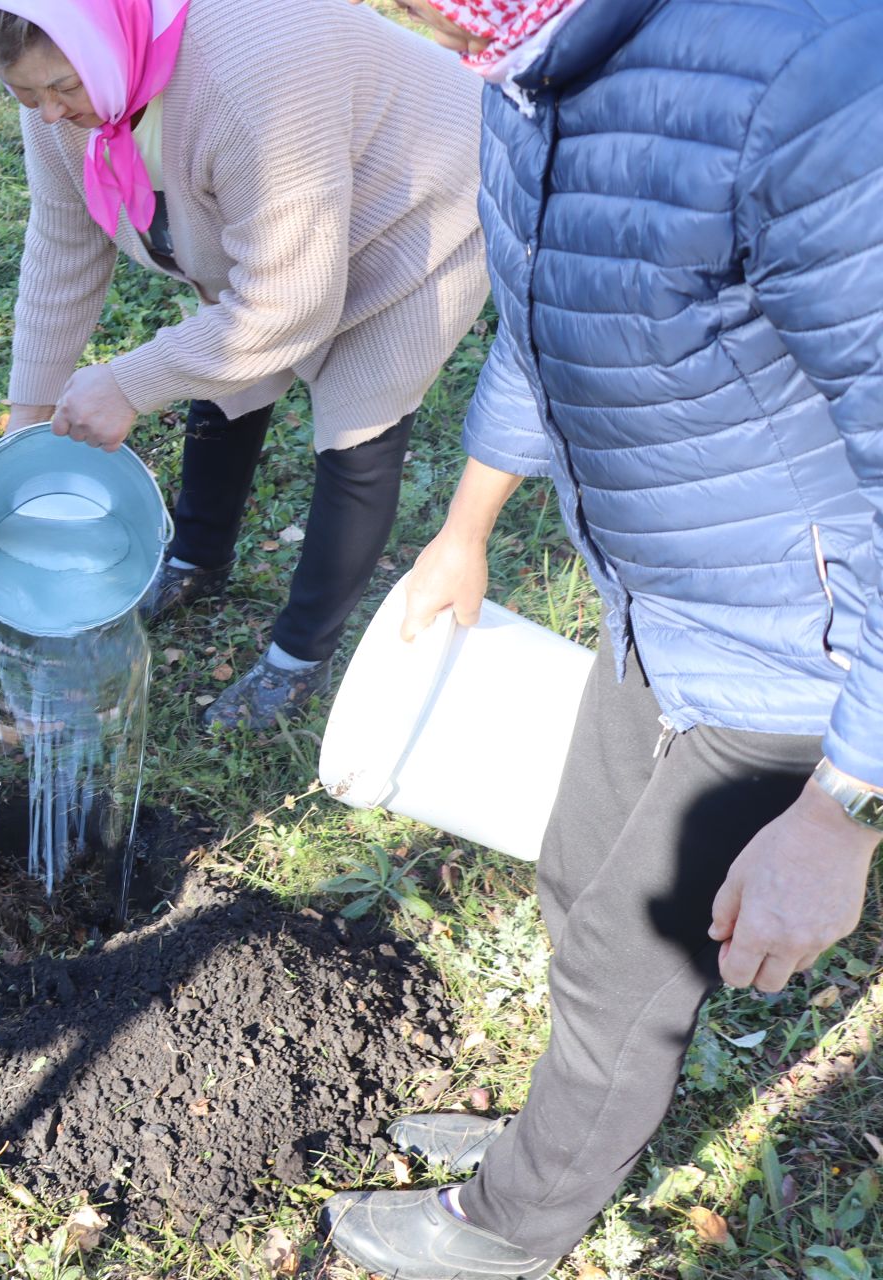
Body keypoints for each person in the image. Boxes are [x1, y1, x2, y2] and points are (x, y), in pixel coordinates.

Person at [321, 0, 883, 1276]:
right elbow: (541, 329)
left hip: (809, 648)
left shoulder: (811, 78)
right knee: (578, 878)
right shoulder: (521, 68)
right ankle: (552, 1130)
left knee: (625, 960)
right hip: (660, 603)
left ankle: (515, 1224)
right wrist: (467, 525)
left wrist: (842, 804)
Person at [0, 0, 489, 730]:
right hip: (291, 206)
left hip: (418, 193)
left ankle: (296, 660)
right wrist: (23, 428)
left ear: (107, 41)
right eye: (26, 95)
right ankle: (197, 560)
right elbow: (63, 248)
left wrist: (128, 382)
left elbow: (290, 304)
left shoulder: (246, 81)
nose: (50, 113)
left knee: (360, 419)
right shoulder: (64, 79)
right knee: (225, 367)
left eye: (63, 89)